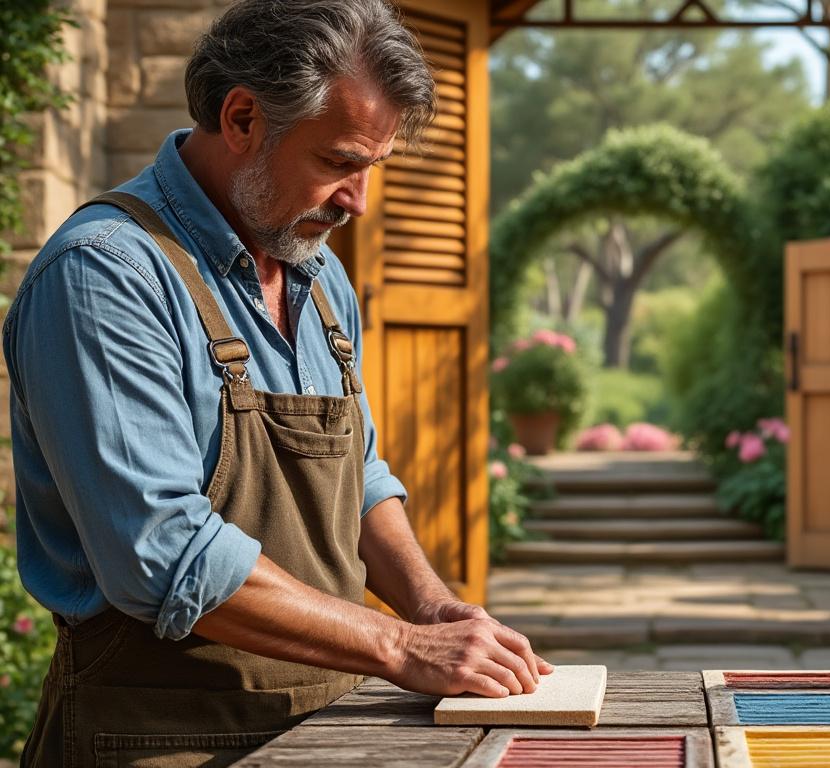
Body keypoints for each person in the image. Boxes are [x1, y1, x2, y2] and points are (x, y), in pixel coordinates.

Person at [5, 2, 550, 764]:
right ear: (241, 119)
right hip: (158, 741)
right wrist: (400, 646)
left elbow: (360, 478)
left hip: (327, 733)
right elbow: (162, 552)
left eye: (373, 167)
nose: (359, 201)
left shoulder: (319, 278)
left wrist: (433, 609)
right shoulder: (106, 275)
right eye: (339, 162)